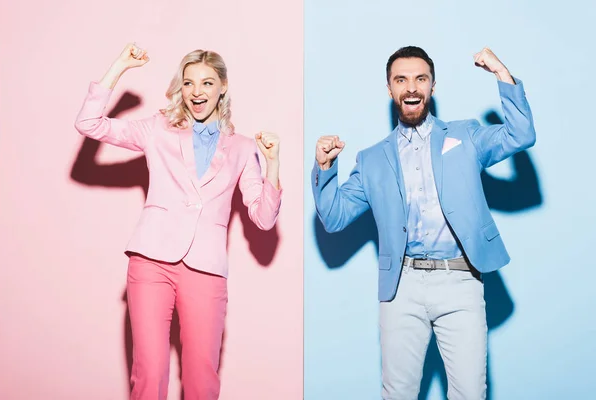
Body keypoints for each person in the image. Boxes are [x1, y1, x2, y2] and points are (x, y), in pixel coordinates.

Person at [312, 46, 535, 400]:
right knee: (398, 394)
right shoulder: (371, 160)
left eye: (420, 78)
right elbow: (335, 217)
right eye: (401, 80)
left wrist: (500, 73)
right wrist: (325, 169)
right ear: (390, 89)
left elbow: (520, 135)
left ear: (432, 86)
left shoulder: (466, 136)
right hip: (402, 287)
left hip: (460, 280)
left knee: (470, 393)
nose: (411, 87)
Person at [75, 43, 282, 400]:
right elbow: (88, 124)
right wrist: (120, 67)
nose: (196, 92)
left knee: (202, 379)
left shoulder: (244, 147)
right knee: (149, 373)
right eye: (188, 83)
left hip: (206, 269)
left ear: (223, 87)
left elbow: (263, 219)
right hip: (150, 262)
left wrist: (273, 164)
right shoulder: (157, 128)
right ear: (180, 88)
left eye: (206, 83)